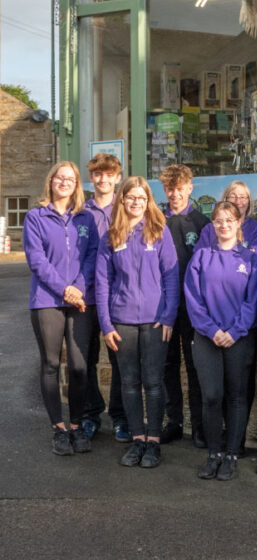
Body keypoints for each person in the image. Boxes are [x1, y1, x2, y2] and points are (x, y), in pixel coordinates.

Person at [95, 176, 180, 469]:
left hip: (156, 321)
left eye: (141, 198)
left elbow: (171, 275)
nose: (135, 202)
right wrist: (106, 324)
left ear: (148, 202)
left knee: (153, 383)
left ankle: (153, 442)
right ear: (122, 200)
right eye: (130, 197)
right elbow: (102, 282)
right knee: (129, 383)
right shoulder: (111, 235)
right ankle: (137, 440)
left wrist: (169, 315)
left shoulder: (159, 231)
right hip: (123, 321)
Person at [184, 201, 257, 480]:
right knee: (212, 397)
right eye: (219, 220)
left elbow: (253, 301)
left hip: (238, 338)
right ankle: (214, 453)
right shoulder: (202, 257)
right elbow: (193, 300)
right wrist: (212, 330)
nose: (224, 225)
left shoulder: (250, 259)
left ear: (239, 222)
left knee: (237, 397)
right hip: (207, 337)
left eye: (230, 220)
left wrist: (234, 331)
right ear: (213, 224)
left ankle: (231, 455)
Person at [24, 161, 97, 456]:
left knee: (80, 366)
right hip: (47, 300)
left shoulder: (86, 218)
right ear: (51, 181)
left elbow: (93, 255)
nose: (64, 182)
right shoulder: (35, 217)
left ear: (77, 184)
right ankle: (59, 428)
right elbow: (36, 259)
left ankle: (77, 424)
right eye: (59, 177)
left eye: (70, 178)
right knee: (51, 364)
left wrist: (78, 287)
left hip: (80, 301)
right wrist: (64, 289)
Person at [160, 164, 209, 447]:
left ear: (190, 188)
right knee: (168, 365)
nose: (174, 194)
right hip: (165, 307)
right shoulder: (156, 220)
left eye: (179, 188)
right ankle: (174, 422)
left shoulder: (202, 223)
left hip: (192, 308)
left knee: (194, 367)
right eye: (169, 189)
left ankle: (199, 426)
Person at [80, 152, 123, 441]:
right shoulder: (80, 212)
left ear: (117, 177)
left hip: (118, 298)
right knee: (84, 360)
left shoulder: (127, 208)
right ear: (91, 176)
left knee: (120, 361)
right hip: (87, 298)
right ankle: (90, 413)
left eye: (109, 174)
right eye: (98, 174)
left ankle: (120, 417)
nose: (103, 179)